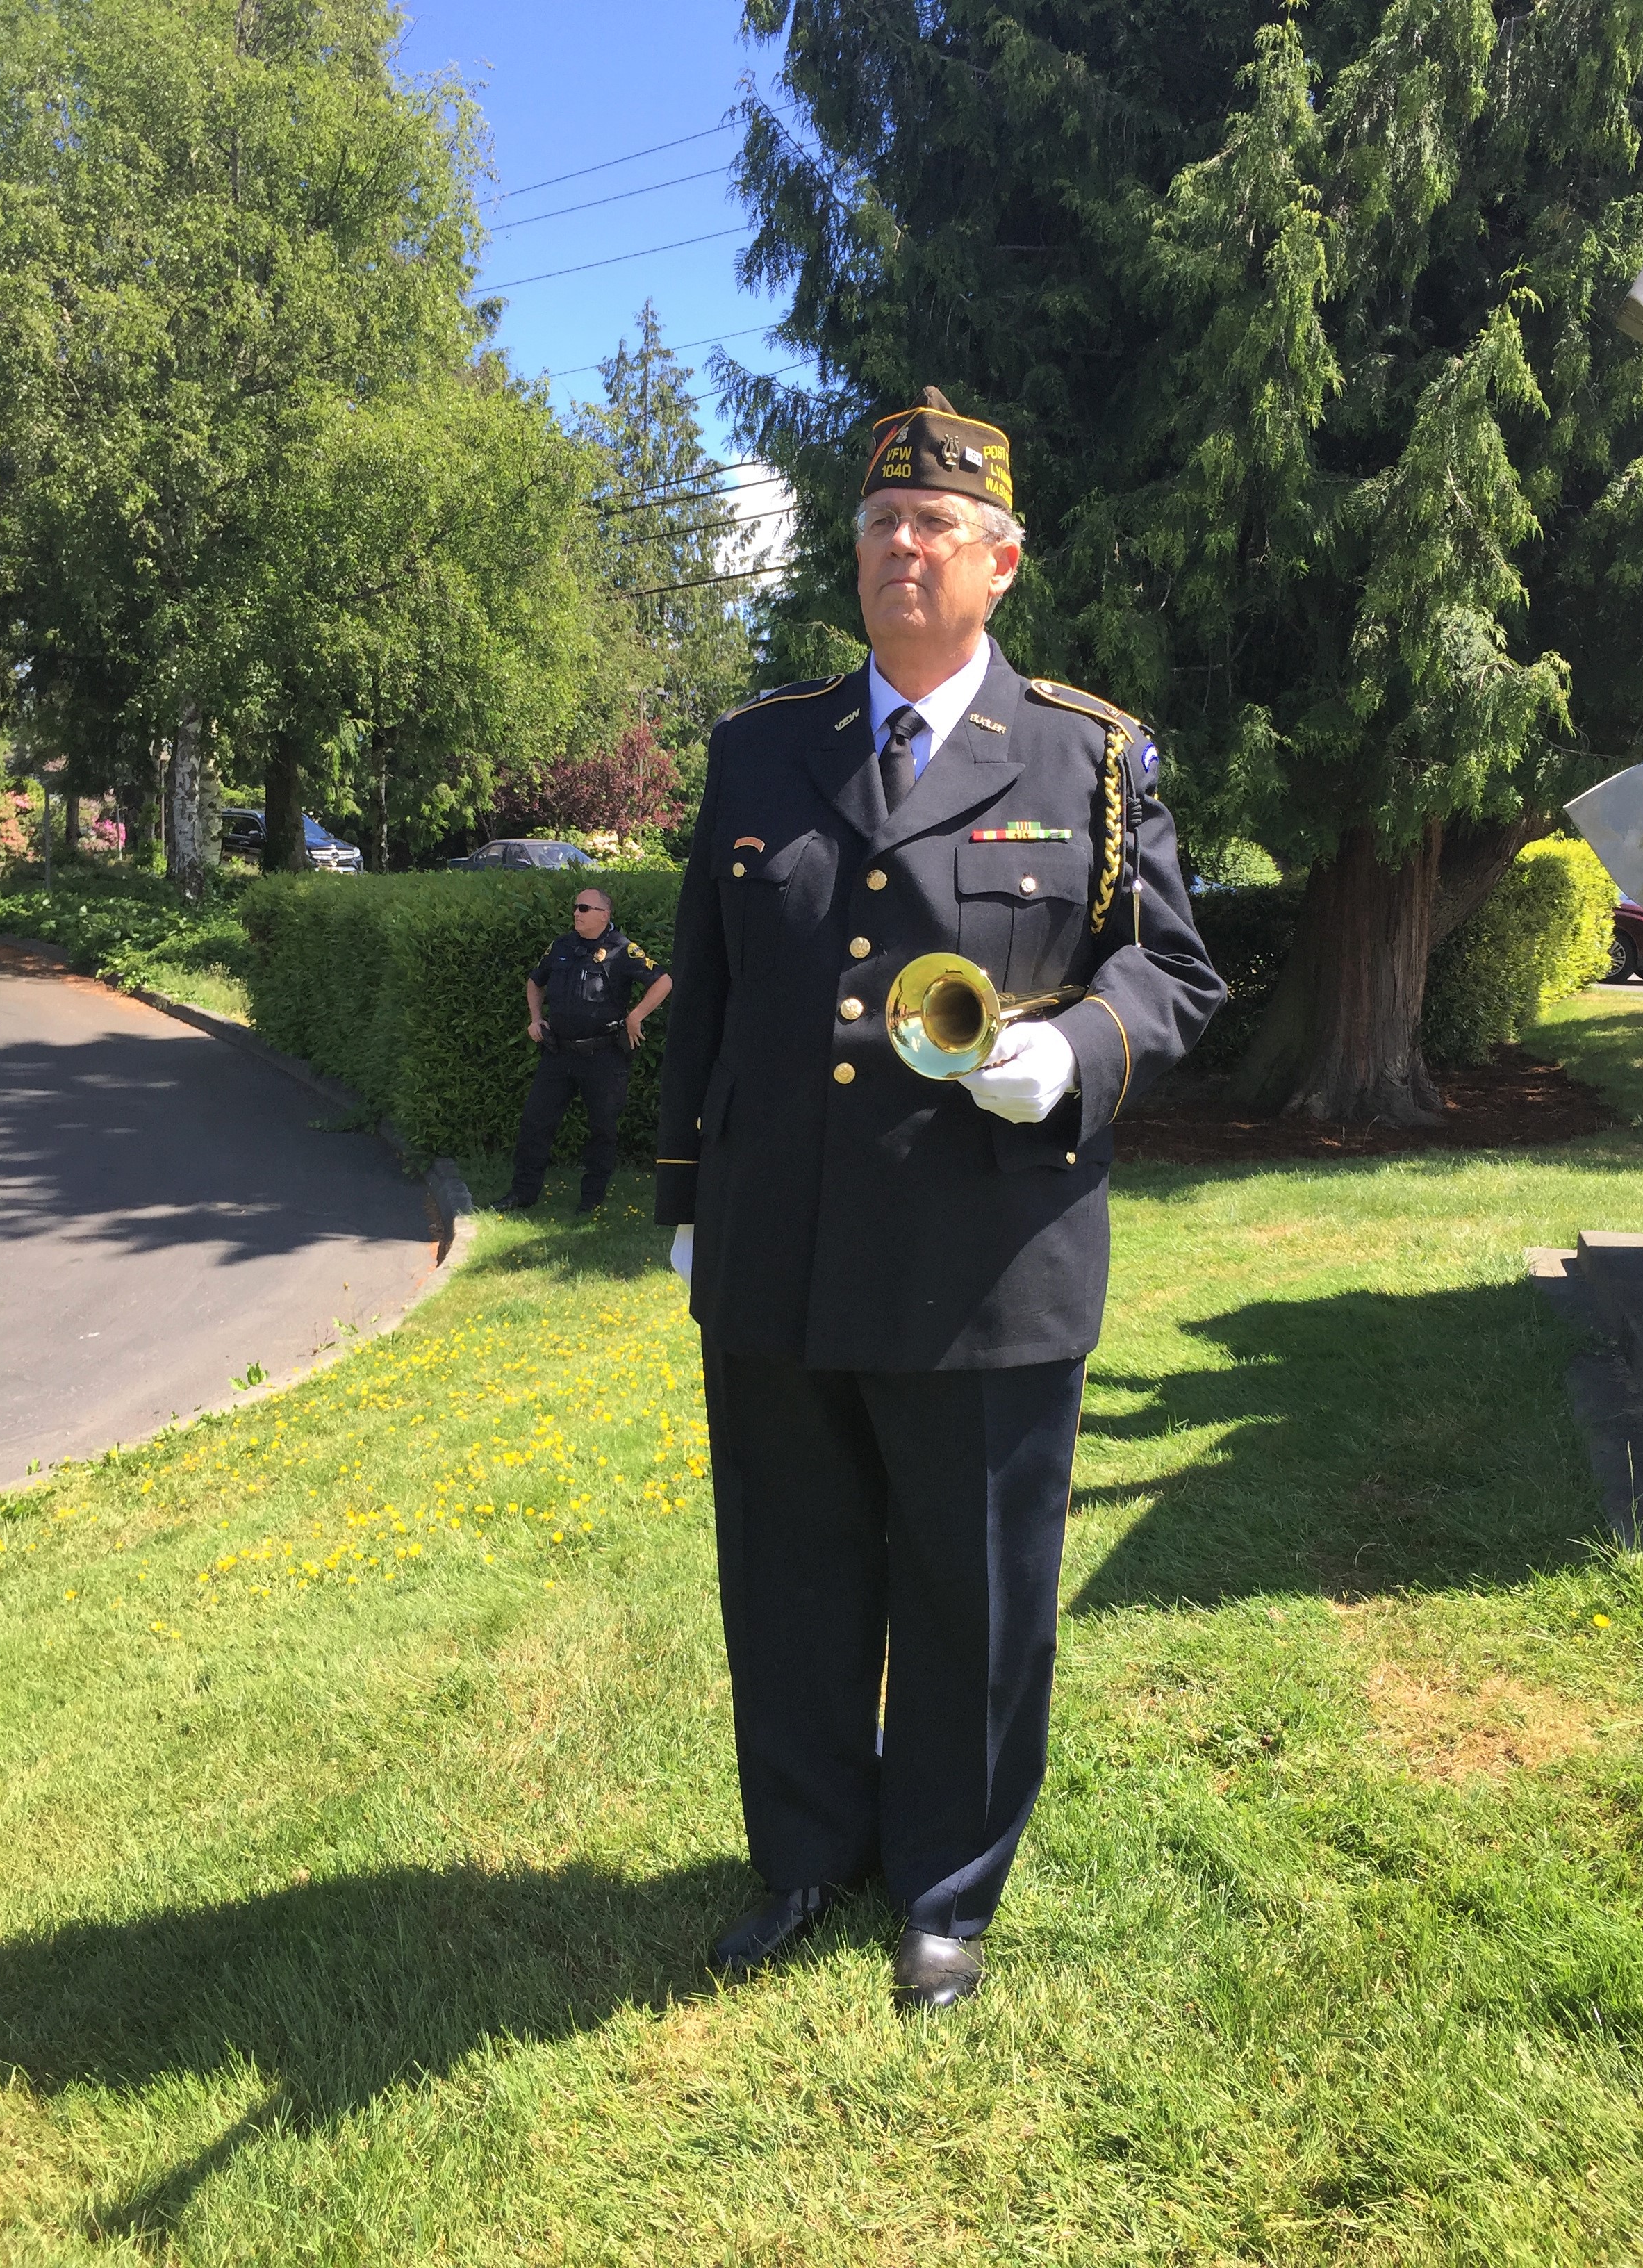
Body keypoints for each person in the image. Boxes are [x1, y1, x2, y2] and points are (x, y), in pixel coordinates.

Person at [655, 389, 1224, 2009]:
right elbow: (706, 985)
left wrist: (1077, 1053)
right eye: (880, 524)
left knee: (973, 1591)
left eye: (934, 525)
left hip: (984, 1252)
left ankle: (946, 1889)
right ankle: (803, 1856)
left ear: (999, 561)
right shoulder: (762, 747)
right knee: (791, 1573)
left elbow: (1172, 971)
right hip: (780, 1245)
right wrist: (684, 1196)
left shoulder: (1085, 755)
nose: (901, 547)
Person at [495, 885, 671, 1217]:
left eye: (585, 908)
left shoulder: (622, 949)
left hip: (603, 1056)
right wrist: (535, 1018)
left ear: (604, 915)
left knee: (602, 1128)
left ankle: (591, 1200)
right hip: (559, 1052)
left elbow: (663, 981)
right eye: (576, 907)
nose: (577, 913)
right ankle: (522, 1193)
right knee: (535, 1123)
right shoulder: (561, 945)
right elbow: (535, 981)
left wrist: (636, 1016)